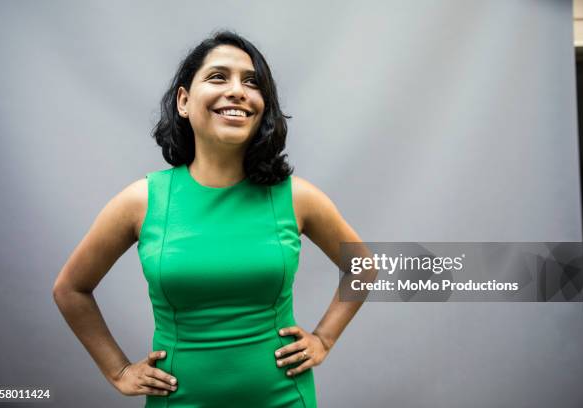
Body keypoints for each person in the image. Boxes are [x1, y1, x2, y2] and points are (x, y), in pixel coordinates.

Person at [52, 30, 366, 408]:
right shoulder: (141, 201)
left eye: (252, 82)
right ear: (184, 100)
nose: (237, 90)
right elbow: (70, 289)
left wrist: (324, 338)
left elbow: (362, 267)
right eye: (218, 77)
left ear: (262, 105)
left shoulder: (296, 197)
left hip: (285, 399)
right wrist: (117, 370)